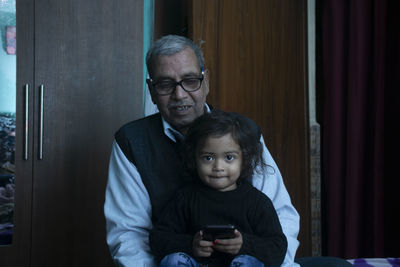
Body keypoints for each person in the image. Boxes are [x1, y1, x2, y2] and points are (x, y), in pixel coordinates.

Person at [104, 34, 352, 267]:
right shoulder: (131, 141)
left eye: (190, 81)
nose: (179, 95)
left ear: (206, 81)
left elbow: (281, 216)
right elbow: (129, 235)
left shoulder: (242, 133)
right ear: (151, 90)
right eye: (165, 85)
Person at [150, 110, 287, 267]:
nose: (218, 167)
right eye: (208, 158)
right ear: (194, 158)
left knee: (247, 263)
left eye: (229, 157)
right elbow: (158, 239)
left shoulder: (256, 202)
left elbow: (278, 247)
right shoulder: (185, 198)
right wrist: (190, 245)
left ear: (244, 159)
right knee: (173, 261)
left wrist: (244, 245)